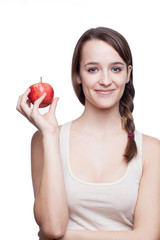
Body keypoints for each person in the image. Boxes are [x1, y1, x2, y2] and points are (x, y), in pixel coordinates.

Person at [16, 27, 160, 240]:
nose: (105, 80)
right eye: (93, 69)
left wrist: (68, 236)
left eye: (116, 69)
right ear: (77, 75)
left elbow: (148, 236)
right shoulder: (45, 139)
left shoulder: (151, 149)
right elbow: (52, 228)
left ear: (128, 74)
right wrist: (50, 134)